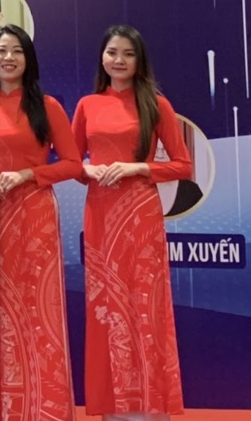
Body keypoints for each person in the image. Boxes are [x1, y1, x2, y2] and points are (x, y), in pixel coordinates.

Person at [72, 24, 192, 420]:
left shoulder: (157, 105)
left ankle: (150, 405)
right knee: (106, 307)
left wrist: (136, 167)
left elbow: (183, 166)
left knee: (145, 306)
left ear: (140, 60)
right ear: (102, 58)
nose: (119, 60)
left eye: (128, 53)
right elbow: (72, 163)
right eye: (112, 52)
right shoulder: (88, 104)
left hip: (140, 215)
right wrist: (90, 170)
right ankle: (113, 405)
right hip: (101, 216)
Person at [0, 24, 80, 421]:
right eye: (1, 51)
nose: (8, 57)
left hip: (35, 218)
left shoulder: (47, 106)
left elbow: (72, 164)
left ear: (28, 59)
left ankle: (43, 410)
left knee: (38, 312)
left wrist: (28, 174)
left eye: (16, 51)